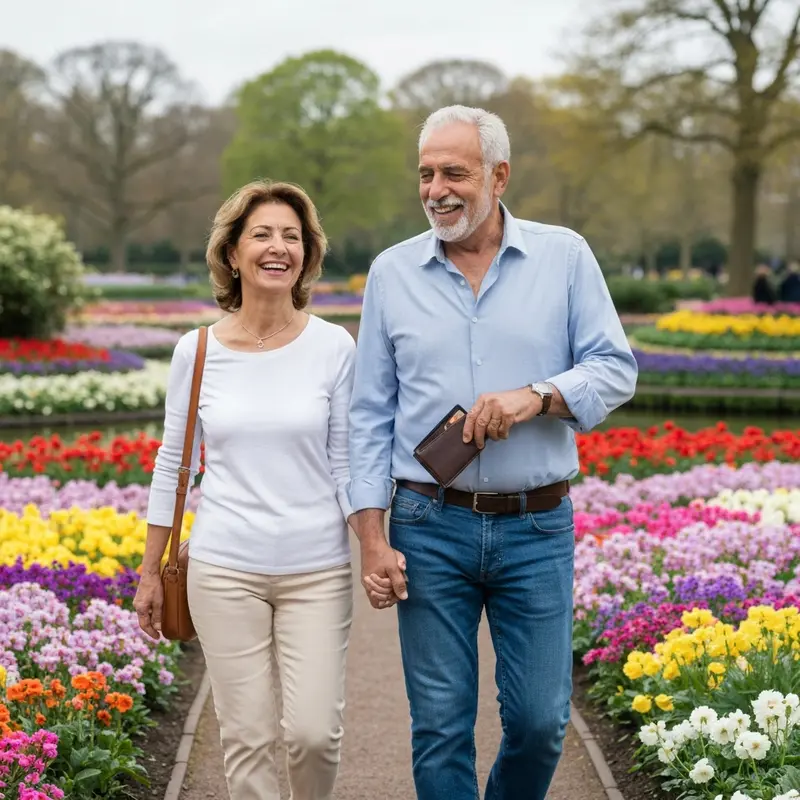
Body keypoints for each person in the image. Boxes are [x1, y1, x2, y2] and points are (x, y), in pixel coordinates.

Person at [347, 106, 638, 800]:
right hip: (428, 524)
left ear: (499, 175)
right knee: (441, 727)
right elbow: (367, 415)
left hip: (536, 528)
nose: (436, 188)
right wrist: (371, 540)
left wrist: (536, 397)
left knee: (539, 723)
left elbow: (615, 367)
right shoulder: (391, 274)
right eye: (425, 174)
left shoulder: (565, 257)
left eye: (455, 171)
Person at [133, 181, 356, 800]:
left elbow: (345, 465)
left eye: (293, 236)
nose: (278, 247)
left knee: (315, 734)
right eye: (262, 234)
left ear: (307, 255)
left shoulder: (334, 347)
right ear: (232, 253)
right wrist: (151, 571)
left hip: (317, 569)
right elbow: (172, 462)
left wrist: (376, 541)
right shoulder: (197, 350)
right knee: (247, 739)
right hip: (224, 568)